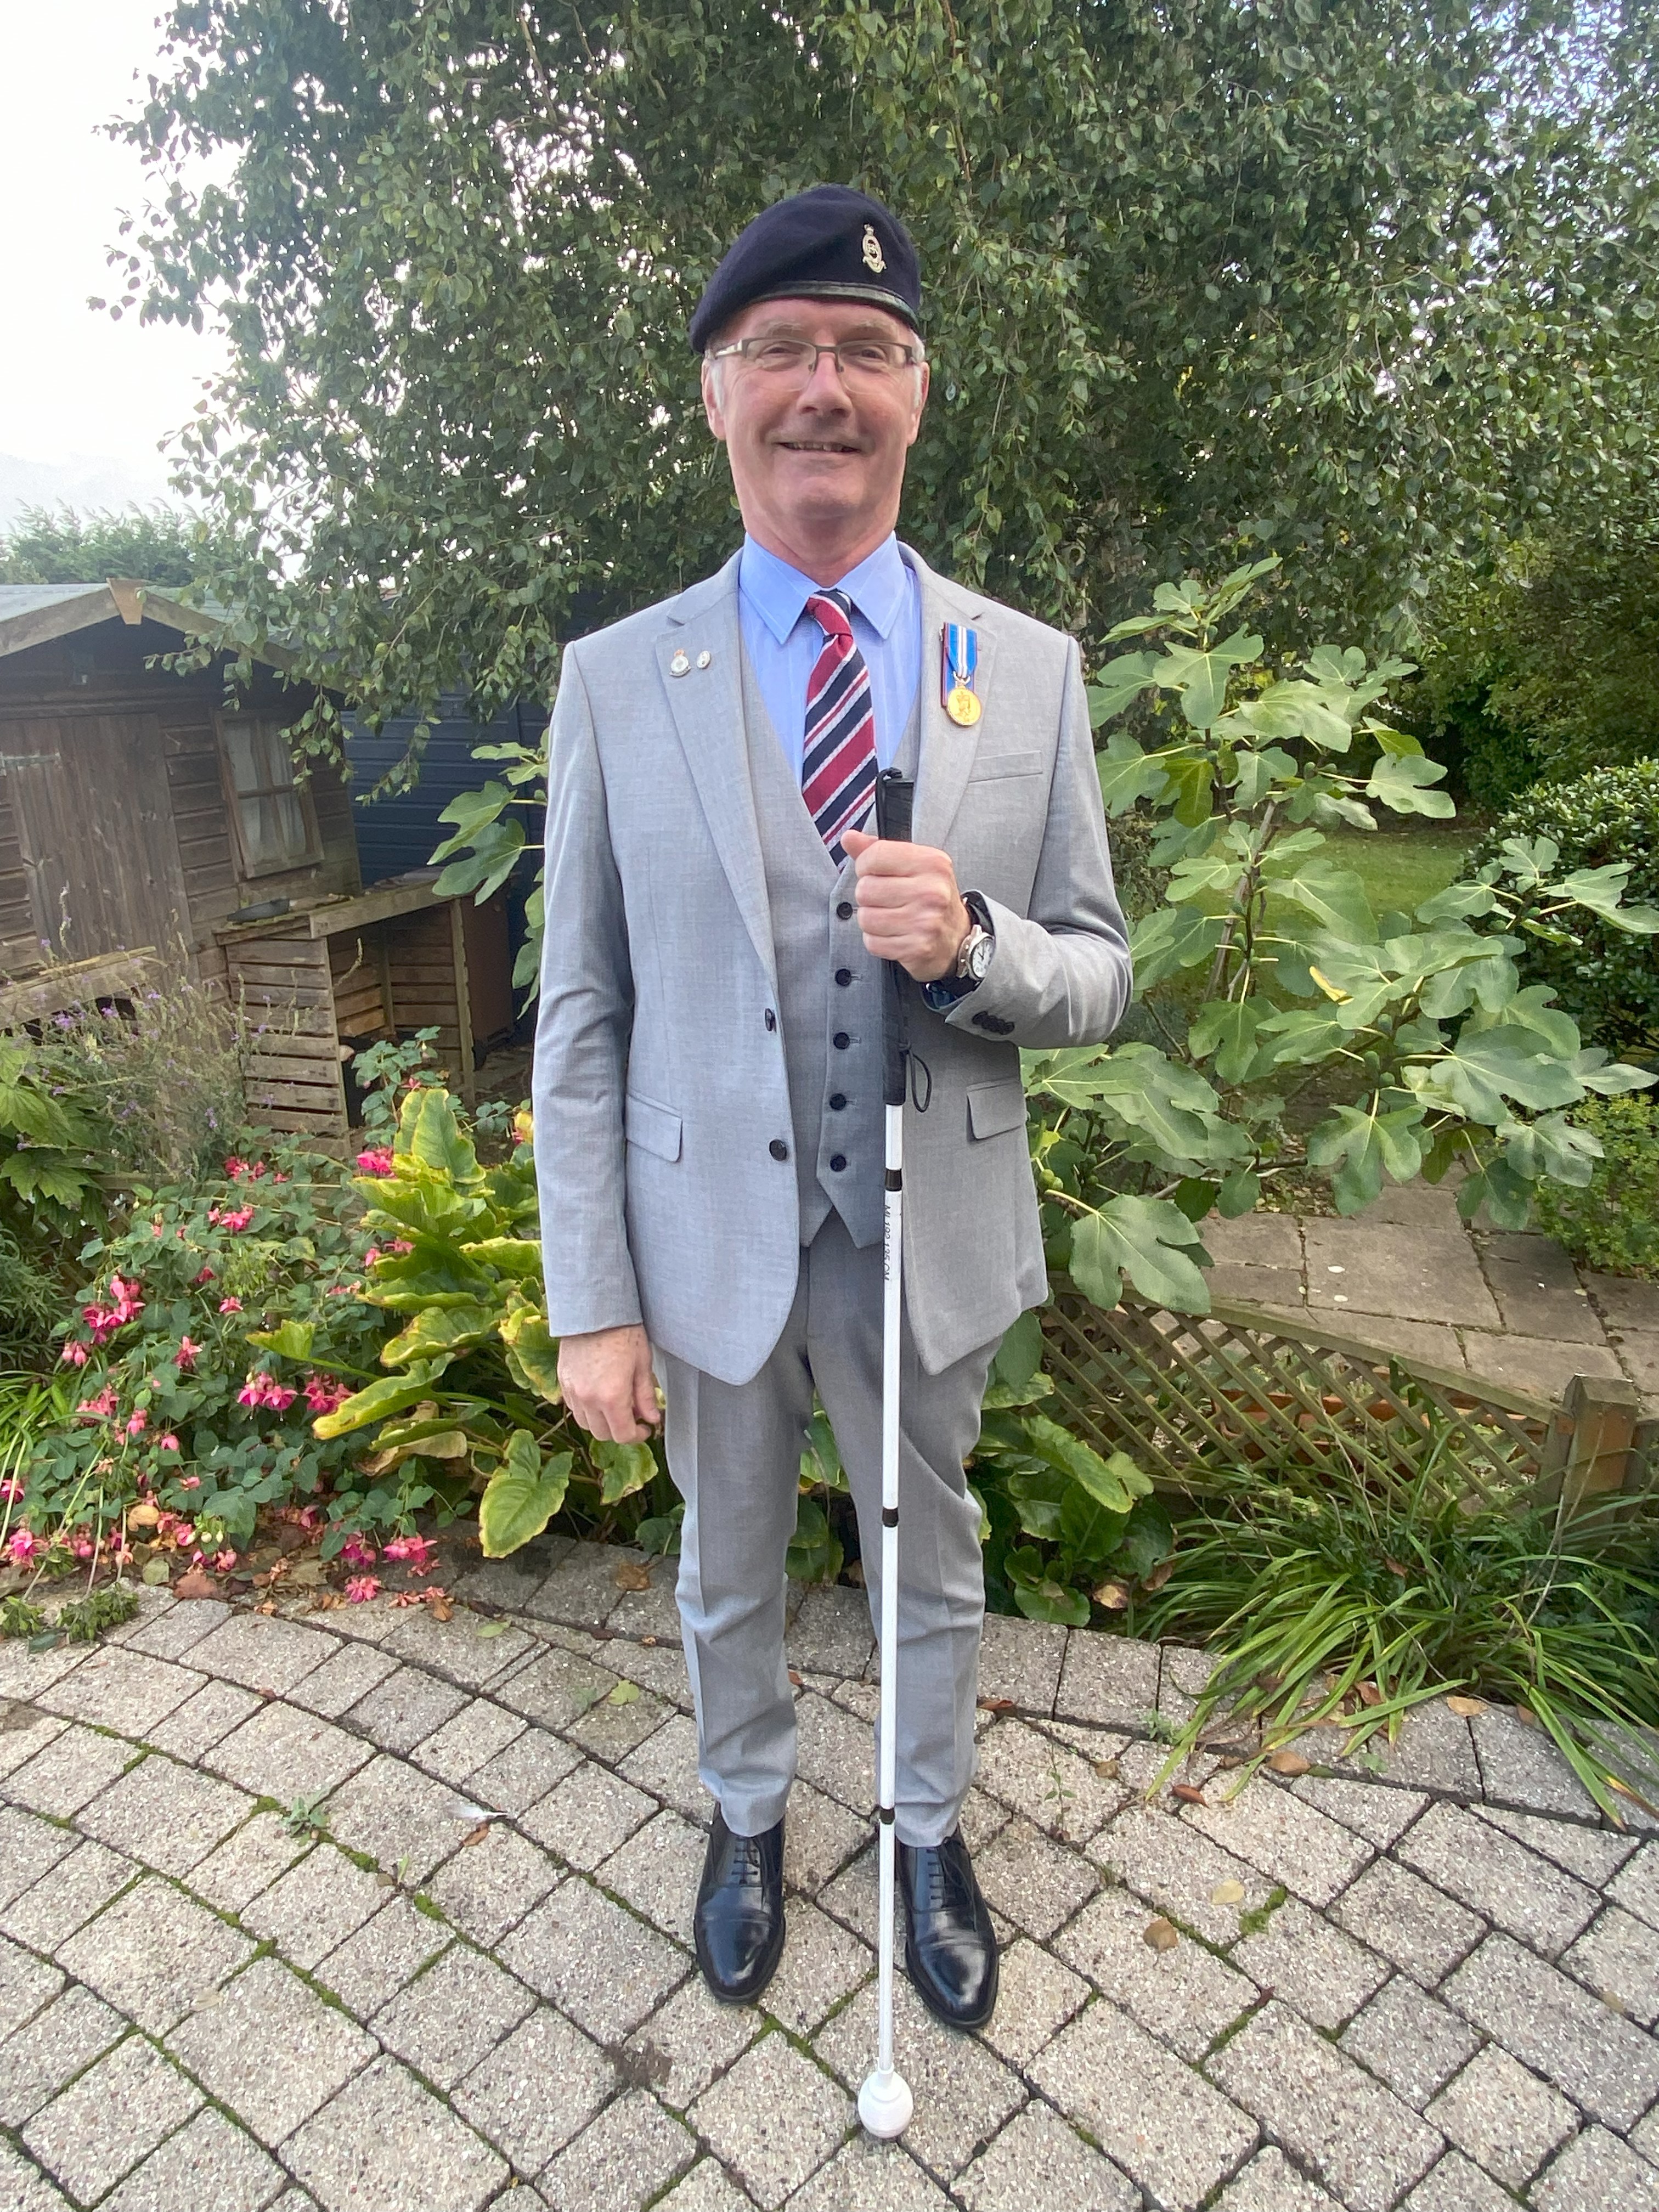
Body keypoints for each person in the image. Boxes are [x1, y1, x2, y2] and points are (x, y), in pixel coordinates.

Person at [533, 184, 1131, 2031]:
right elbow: (580, 1009)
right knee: (723, 1561)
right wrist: (591, 1295)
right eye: (780, 349)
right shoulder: (618, 680)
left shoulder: (1024, 671)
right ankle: (740, 1814)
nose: (823, 387)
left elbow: (1102, 972)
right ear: (718, 396)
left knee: (925, 1554)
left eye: (864, 352)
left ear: (917, 395)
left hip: (920, 1231)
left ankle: (928, 1830)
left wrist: (974, 948)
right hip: (710, 1229)